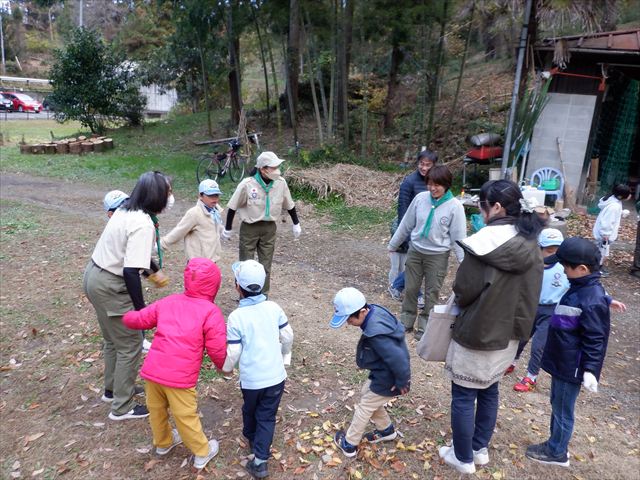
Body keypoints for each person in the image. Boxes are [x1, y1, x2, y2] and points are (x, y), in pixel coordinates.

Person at [438, 179, 545, 474]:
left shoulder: (483, 244)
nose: (482, 213)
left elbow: (464, 290)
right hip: (510, 334)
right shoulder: (531, 243)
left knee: (463, 394)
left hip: (478, 333)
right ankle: (478, 449)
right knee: (489, 389)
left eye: (482, 207)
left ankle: (462, 457)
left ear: (495, 207)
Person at [526, 237, 626, 467]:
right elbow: (595, 295)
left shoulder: (591, 298)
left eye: (565, 266)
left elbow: (596, 338)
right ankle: (554, 443)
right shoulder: (583, 287)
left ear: (582, 269)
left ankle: (557, 452)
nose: (561, 269)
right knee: (556, 402)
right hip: (562, 359)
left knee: (563, 410)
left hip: (571, 365)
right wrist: (607, 299)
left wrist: (590, 370)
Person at [83, 171, 172, 420]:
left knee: (113, 339)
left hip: (94, 275)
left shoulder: (125, 209)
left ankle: (113, 390)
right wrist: (141, 312)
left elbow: (132, 254)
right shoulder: (143, 223)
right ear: (156, 196)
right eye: (168, 192)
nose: (170, 197)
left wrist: (154, 271)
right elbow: (131, 271)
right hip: (111, 285)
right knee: (130, 343)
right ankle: (121, 407)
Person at [122, 258, 227, 470]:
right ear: (215, 285)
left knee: (157, 410)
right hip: (180, 378)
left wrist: (126, 317)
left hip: (153, 372)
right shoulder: (210, 311)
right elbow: (216, 347)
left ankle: (163, 443)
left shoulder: (169, 301)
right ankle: (202, 451)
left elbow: (141, 319)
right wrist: (223, 364)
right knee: (185, 415)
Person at [221, 260, 294, 479]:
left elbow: (233, 353)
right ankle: (259, 454)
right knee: (267, 415)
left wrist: (226, 369)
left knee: (250, 408)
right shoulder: (274, 308)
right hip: (275, 377)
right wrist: (285, 355)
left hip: (251, 381)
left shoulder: (236, 317)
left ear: (237, 286)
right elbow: (288, 335)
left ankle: (254, 443)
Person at [330, 287, 411, 458]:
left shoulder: (376, 333)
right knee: (366, 393)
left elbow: (398, 358)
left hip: (389, 377)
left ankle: (349, 444)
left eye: (349, 318)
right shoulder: (375, 311)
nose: (348, 322)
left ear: (362, 312)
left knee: (365, 406)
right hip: (384, 372)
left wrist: (402, 381)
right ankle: (386, 430)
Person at [388, 165, 466, 340]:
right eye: (430, 183)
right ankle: (406, 322)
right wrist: (393, 244)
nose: (432, 188)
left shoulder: (455, 207)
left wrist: (464, 262)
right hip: (415, 251)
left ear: (446, 185)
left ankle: (424, 326)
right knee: (410, 288)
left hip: (438, 256)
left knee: (432, 292)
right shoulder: (420, 199)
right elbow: (406, 223)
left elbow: (458, 238)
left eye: (437, 184)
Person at [223, 152, 301, 294]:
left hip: (269, 228)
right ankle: (245, 295)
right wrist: (227, 228)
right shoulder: (247, 184)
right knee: (246, 264)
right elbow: (233, 206)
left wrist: (296, 223)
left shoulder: (280, 183)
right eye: (274, 167)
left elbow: (289, 204)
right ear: (263, 169)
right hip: (249, 228)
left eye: (278, 166)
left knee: (266, 265)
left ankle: (263, 296)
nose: (278, 170)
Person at [507, 228, 569, 390]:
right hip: (530, 308)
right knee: (520, 338)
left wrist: (606, 299)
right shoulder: (531, 265)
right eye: (549, 250)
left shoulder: (564, 268)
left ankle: (531, 376)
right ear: (539, 248)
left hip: (550, 312)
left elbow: (582, 284)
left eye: (558, 251)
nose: (554, 254)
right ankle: (511, 362)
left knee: (538, 345)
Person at [387, 149, 437, 303]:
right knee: (416, 263)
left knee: (417, 262)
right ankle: (414, 292)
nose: (424, 168)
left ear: (434, 165)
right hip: (410, 228)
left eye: (428, 165)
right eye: (421, 164)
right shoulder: (409, 182)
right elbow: (403, 210)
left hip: (427, 228)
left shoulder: (434, 181)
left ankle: (399, 286)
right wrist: (406, 235)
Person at [161, 179, 224, 263]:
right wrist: (162, 244)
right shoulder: (194, 213)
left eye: (216, 195)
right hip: (197, 262)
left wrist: (224, 231)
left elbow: (216, 229)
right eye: (210, 196)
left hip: (211, 260)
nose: (214, 199)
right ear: (200, 196)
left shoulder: (216, 211)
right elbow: (179, 231)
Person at [592, 183, 632, 276]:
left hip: (604, 233)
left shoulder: (614, 201)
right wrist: (606, 235)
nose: (630, 196)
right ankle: (597, 269)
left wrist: (621, 213)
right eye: (628, 194)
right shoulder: (614, 206)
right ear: (621, 196)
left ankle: (598, 267)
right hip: (604, 234)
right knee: (602, 253)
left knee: (603, 252)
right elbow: (607, 221)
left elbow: (611, 215)